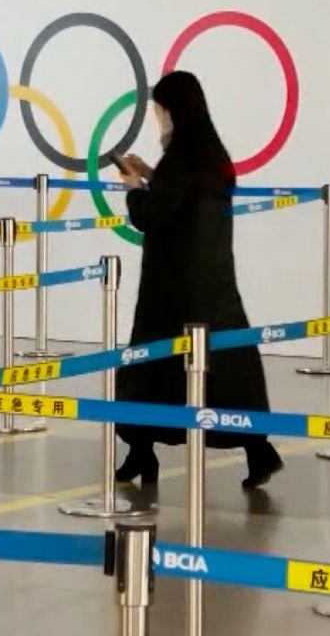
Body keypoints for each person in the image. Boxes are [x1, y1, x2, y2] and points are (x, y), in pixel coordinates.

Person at [112, 70, 283, 489]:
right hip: (215, 285)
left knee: (149, 370)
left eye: (158, 110)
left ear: (170, 111)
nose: (157, 118)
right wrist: (152, 174)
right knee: (227, 373)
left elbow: (151, 216)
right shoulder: (210, 156)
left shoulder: (180, 160)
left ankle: (140, 449)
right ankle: (258, 449)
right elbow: (183, 195)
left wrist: (134, 187)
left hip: (170, 292)